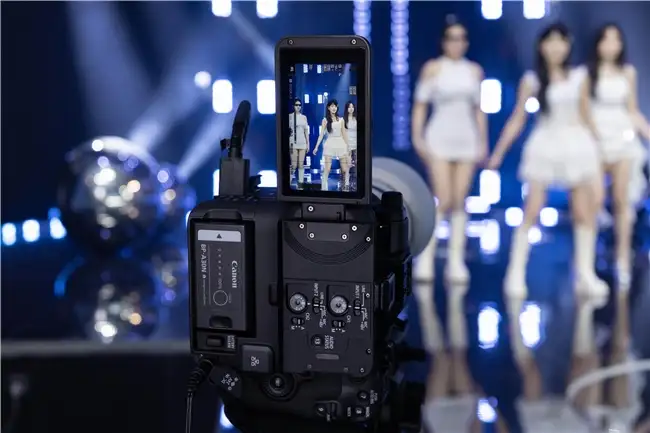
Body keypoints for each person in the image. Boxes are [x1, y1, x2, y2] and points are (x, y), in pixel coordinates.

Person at [487, 23, 608, 404]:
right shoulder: (532, 80)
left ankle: (585, 274)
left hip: (578, 144)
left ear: (567, 46)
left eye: (561, 42)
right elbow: (517, 119)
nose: (555, 48)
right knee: (532, 211)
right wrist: (498, 152)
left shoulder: (580, 76)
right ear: (542, 47)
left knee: (585, 212)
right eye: (549, 42)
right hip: (545, 143)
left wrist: (602, 152)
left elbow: (587, 115)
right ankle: (516, 272)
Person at [411, 17, 486, 399]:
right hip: (439, 135)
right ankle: (425, 260)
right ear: (443, 41)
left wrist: (484, 140)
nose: (457, 43)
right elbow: (420, 105)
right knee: (443, 198)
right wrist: (417, 137)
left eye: (462, 37)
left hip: (466, 136)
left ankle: (455, 261)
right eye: (452, 38)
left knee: (460, 201)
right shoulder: (433, 68)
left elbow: (479, 109)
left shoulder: (475, 71)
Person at [584, 22, 650, 408]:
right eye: (606, 38)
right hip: (596, 140)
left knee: (624, 203)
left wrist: (647, 132)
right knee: (595, 203)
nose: (611, 44)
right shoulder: (587, 74)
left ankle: (623, 261)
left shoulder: (628, 73)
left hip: (623, 138)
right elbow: (584, 112)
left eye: (616, 39)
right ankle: (593, 261)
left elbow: (633, 111)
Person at [313, 100, 350, 191]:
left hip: (340, 144)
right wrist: (316, 147)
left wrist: (348, 146)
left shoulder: (341, 120)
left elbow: (344, 134)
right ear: (328, 108)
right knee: (327, 169)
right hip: (330, 144)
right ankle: (324, 188)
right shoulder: (325, 120)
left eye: (335, 106)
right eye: (332, 106)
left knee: (344, 169)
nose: (334, 108)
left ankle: (346, 188)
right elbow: (321, 135)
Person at [289, 98, 310, 187]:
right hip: (292, 143)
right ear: (293, 106)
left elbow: (306, 131)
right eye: (296, 105)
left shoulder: (304, 117)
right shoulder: (290, 116)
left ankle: (300, 184)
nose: (298, 106)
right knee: (294, 165)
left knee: (301, 164)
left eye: (299, 105)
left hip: (302, 143)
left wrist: (308, 144)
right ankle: (288, 182)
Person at [343, 101, 357, 189]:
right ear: (347, 109)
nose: (351, 109)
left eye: (352, 107)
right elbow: (343, 133)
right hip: (347, 144)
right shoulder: (344, 119)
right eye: (349, 107)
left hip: (356, 143)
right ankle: (346, 183)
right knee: (347, 165)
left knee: (357, 163)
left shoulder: (357, 118)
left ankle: (357, 184)